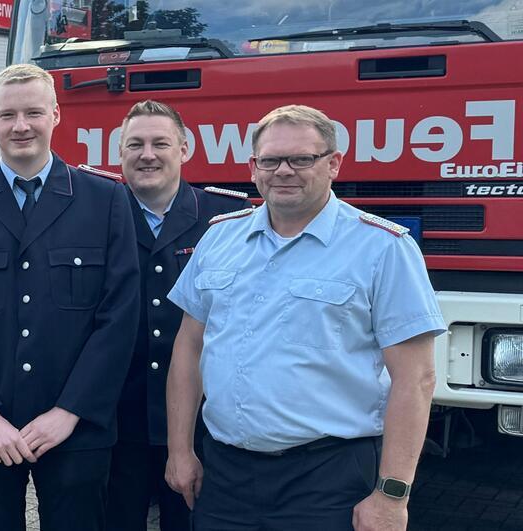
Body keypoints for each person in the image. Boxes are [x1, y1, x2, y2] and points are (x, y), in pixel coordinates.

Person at [165, 104, 443, 531]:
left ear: (333, 164)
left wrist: (392, 495)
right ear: (254, 168)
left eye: (301, 159)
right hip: (226, 476)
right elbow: (189, 346)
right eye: (271, 160)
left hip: (327, 477)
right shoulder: (220, 237)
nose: (284, 171)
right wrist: (180, 450)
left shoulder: (383, 248)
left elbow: (416, 378)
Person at [0, 63, 140, 531]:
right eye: (7, 115)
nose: (21, 126)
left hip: (76, 427)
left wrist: (69, 412)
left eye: (33, 113)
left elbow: (119, 317)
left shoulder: (104, 200)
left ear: (56, 116)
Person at [98, 100, 250, 531]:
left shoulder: (227, 220)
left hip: (204, 424)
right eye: (135, 145)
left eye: (160, 143)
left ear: (184, 149)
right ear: (120, 154)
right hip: (118, 420)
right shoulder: (96, 216)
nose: (148, 154)